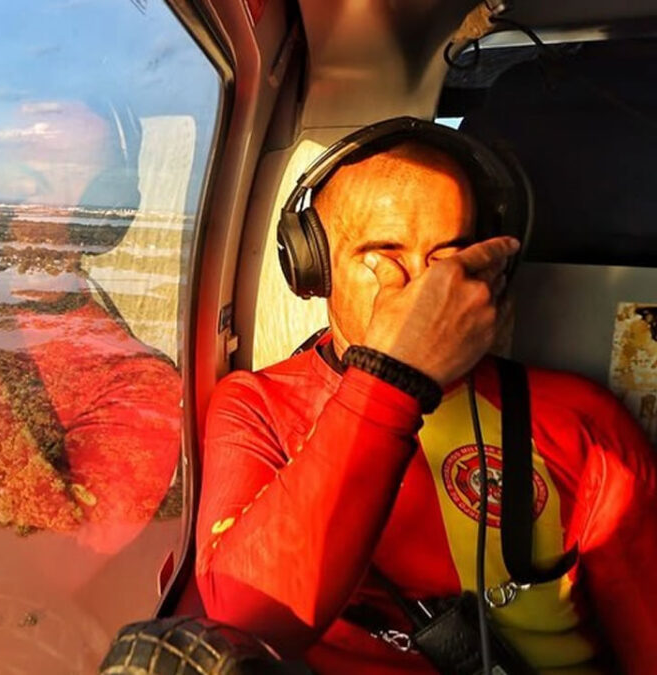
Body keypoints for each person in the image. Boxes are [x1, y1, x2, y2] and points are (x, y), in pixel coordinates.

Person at [194, 122, 657, 673]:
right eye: (384, 255)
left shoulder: (583, 423)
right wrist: (395, 377)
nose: (424, 293)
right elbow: (246, 620)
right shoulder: (258, 407)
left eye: (450, 258)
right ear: (314, 266)